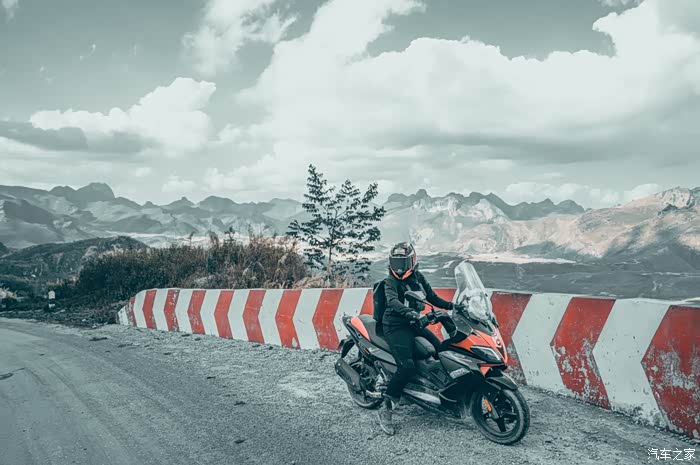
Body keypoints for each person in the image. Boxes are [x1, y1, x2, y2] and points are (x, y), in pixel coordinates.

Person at [377, 242, 456, 435]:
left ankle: (443, 394)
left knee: (441, 351)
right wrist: (410, 313)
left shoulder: (418, 277)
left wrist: (453, 306)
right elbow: (392, 301)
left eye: (403, 262)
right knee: (406, 365)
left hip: (413, 323)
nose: (399, 267)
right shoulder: (390, 282)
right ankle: (386, 407)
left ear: (412, 262)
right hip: (395, 326)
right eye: (396, 262)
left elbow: (432, 297)